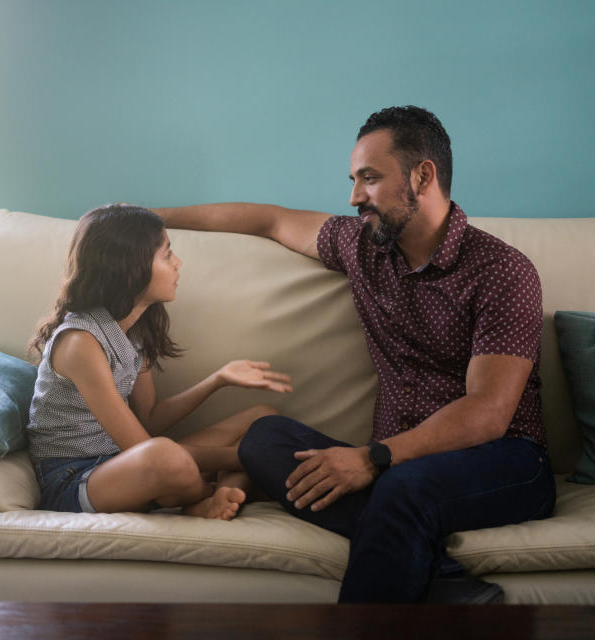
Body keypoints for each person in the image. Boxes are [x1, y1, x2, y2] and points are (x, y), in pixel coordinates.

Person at [153, 106, 556, 602]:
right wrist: (145, 218)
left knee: (402, 489)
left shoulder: (502, 271)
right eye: (353, 180)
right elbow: (269, 221)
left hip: (505, 461)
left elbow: (489, 413)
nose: (353, 197)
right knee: (263, 440)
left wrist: (373, 458)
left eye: (369, 178)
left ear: (422, 176)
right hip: (395, 467)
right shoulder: (361, 246)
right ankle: (445, 584)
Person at [26, 203, 292, 520]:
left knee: (263, 419)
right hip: (75, 479)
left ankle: (217, 493)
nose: (178, 264)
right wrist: (242, 457)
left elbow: (150, 417)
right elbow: (141, 447)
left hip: (122, 462)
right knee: (165, 457)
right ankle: (208, 493)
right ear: (130, 269)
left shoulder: (134, 330)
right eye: (166, 254)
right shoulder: (80, 343)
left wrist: (218, 379)